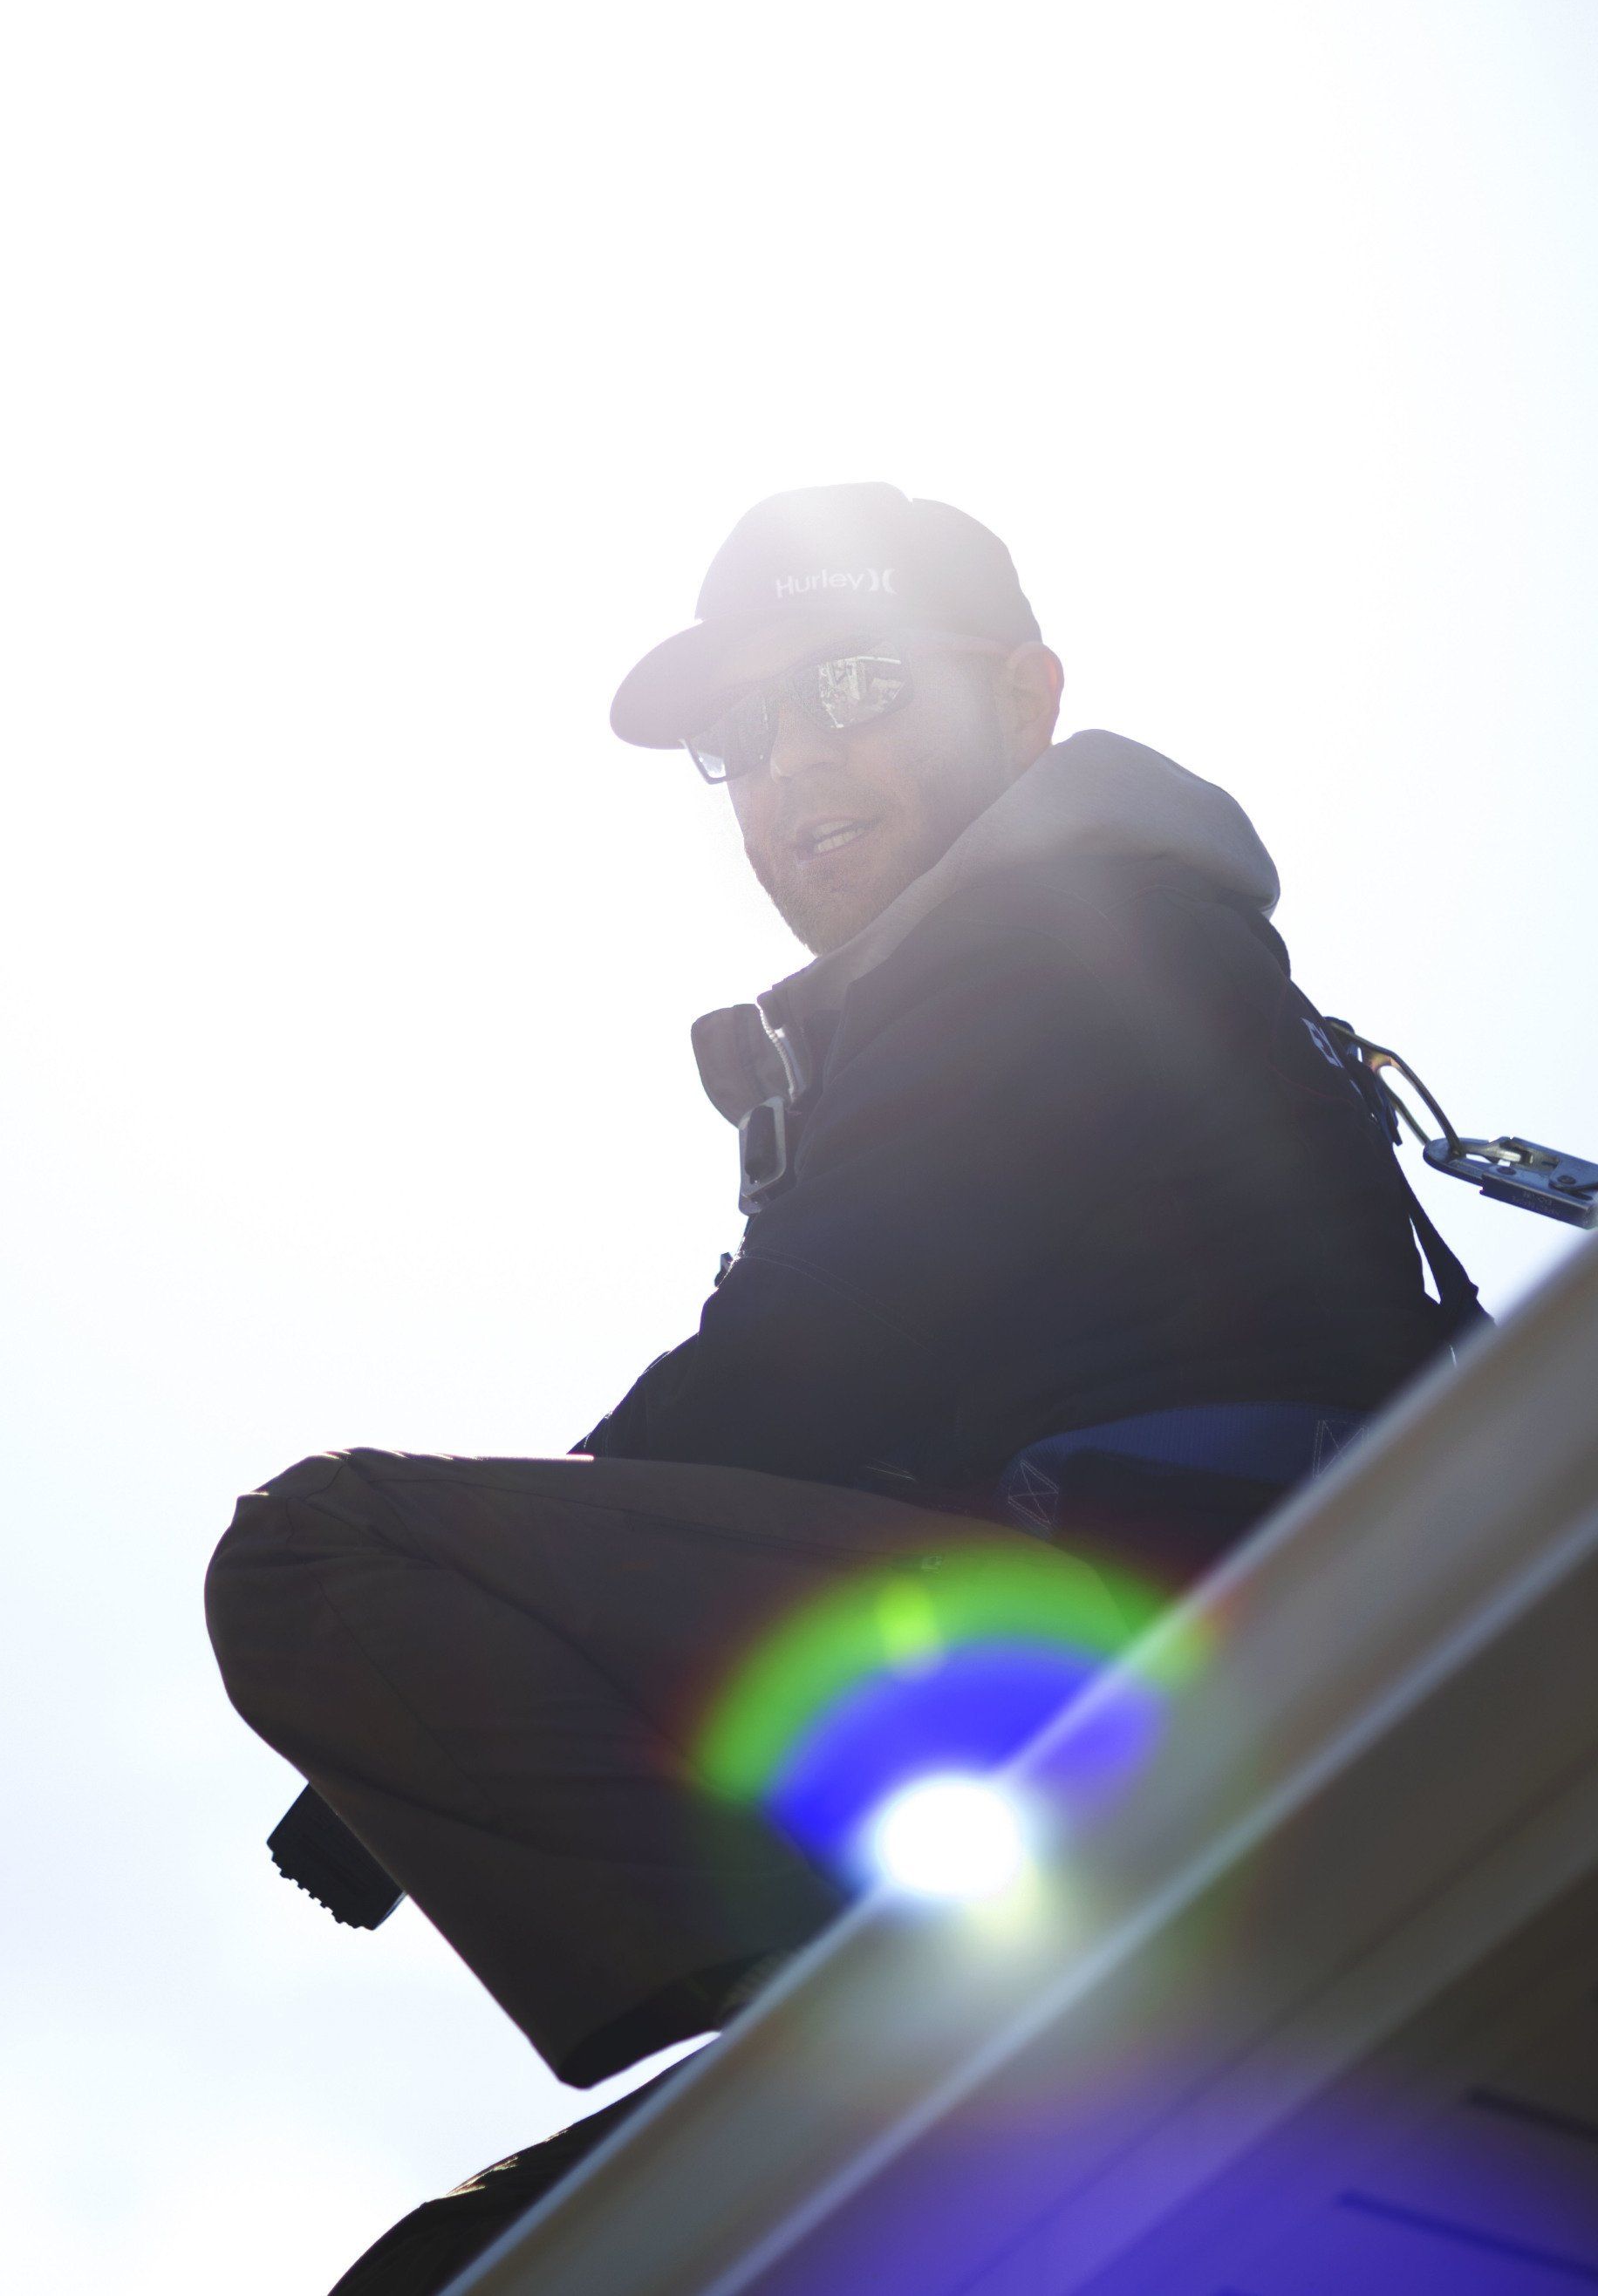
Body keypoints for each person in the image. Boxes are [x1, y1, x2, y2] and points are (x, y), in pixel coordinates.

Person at [204, 482, 1467, 2293]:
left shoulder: (1066, 936)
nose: (796, 760)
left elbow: (792, 1360)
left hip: (1196, 1670)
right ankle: (900, 2042)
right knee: (445, 2271)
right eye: (743, 729)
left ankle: (912, 2045)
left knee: (318, 1553)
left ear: (1026, 698)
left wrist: (403, 1685)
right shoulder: (973, 986)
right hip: (1063, 1721)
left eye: (857, 681)